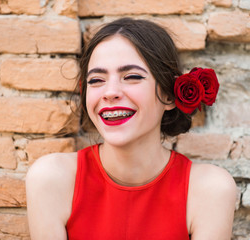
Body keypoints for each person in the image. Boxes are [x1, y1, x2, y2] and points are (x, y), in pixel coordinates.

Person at [26, 18, 237, 240]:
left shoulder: (210, 189)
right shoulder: (51, 178)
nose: (110, 92)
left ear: (169, 95)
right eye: (96, 80)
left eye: (132, 77)